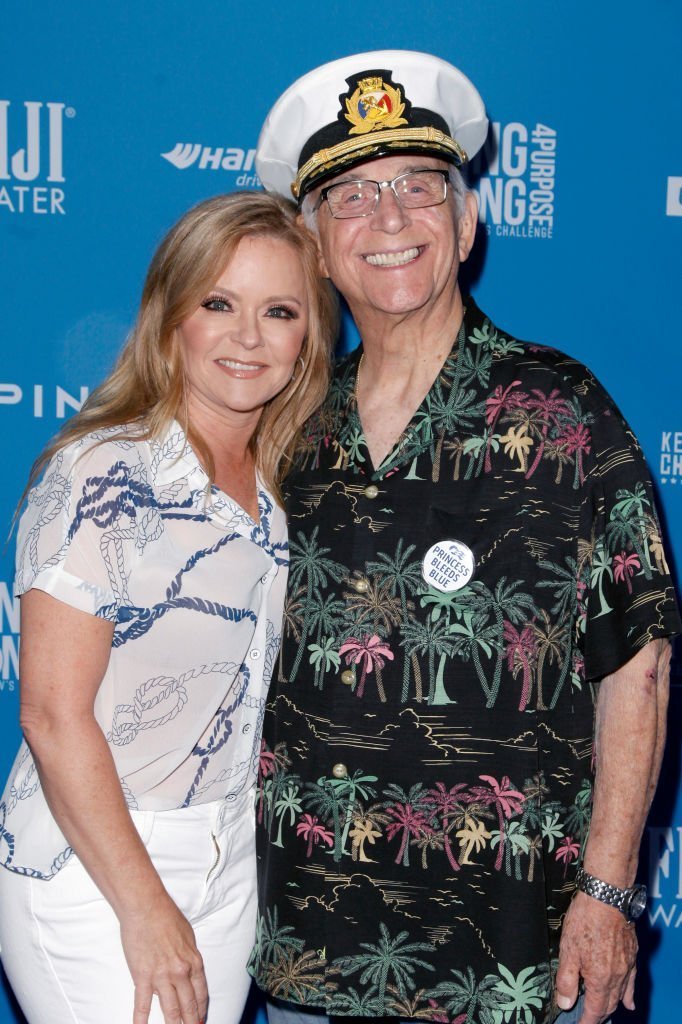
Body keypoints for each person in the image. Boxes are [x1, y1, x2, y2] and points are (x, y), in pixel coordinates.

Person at [246, 50, 681, 1024]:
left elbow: (637, 667)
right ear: (315, 246)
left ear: (469, 221)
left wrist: (609, 896)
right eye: (353, 197)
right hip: (311, 950)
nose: (390, 219)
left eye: (417, 189)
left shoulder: (562, 412)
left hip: (512, 963)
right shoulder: (288, 423)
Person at [0, 191, 336, 1024]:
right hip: (99, 867)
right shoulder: (104, 474)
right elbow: (50, 713)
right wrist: (146, 909)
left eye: (280, 311)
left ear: (308, 337)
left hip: (229, 865)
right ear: (170, 314)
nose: (247, 336)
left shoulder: (282, 484)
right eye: (217, 303)